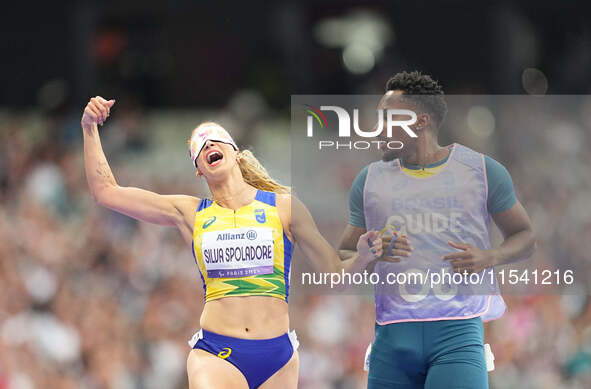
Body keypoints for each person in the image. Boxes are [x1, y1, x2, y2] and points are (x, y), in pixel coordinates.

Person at [80, 96, 382, 389]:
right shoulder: (191, 213)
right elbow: (106, 192)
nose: (208, 143)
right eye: (200, 145)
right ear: (199, 168)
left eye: (214, 138)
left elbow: (335, 276)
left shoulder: (284, 207)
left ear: (236, 153)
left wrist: (363, 259)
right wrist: (90, 128)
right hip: (217, 353)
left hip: (277, 358)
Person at [338, 72, 537, 389]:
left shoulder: (482, 171)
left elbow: (525, 236)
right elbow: (344, 260)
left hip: (457, 337)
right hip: (392, 340)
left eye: (388, 118)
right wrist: (368, 255)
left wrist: (490, 256)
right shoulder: (368, 181)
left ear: (420, 121)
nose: (377, 127)